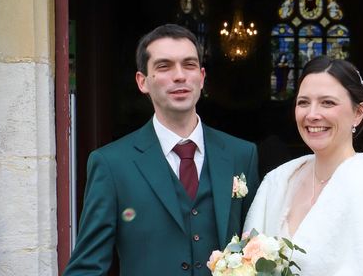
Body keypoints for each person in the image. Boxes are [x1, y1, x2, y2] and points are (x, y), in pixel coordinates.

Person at [64, 24, 259, 276]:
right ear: (142, 81)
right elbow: (86, 268)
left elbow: (256, 248)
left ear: (201, 76)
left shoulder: (241, 155)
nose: (180, 76)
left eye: (189, 65)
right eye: (164, 66)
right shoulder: (112, 164)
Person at [243, 56, 363, 276]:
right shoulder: (278, 181)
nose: (312, 114)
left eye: (327, 102)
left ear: (358, 113)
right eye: (303, 102)